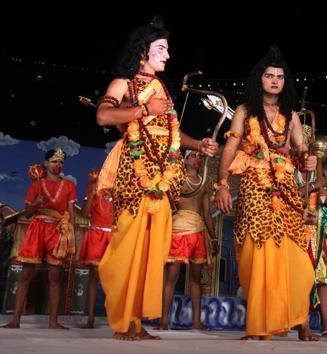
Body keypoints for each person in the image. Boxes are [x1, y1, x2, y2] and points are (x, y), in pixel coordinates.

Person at [94, 16, 218, 340]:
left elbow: (169, 133)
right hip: (134, 176)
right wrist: (144, 110)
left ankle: (137, 320)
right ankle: (123, 321)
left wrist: (198, 144)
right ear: (142, 51)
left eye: (166, 49)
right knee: (130, 246)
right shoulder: (125, 83)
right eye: (160, 49)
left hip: (163, 179)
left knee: (153, 250)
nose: (167, 55)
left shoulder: (162, 88)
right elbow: (103, 115)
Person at [215, 44, 317, 340]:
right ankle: (258, 324)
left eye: (280, 76)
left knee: (293, 255)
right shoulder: (246, 112)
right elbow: (231, 148)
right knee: (256, 253)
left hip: (285, 191)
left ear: (285, 82)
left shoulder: (292, 115)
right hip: (254, 187)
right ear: (259, 79)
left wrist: (306, 159)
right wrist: (221, 185)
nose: (274, 80)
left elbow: (299, 152)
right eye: (269, 75)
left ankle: (298, 317)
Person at [2, 148, 77, 329]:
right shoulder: (36, 185)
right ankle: (15, 320)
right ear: (45, 163)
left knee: (55, 276)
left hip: (57, 231)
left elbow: (72, 214)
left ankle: (53, 322)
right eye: (54, 161)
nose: (58, 165)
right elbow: (27, 214)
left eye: (61, 162)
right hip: (37, 228)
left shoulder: (68, 185)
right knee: (26, 275)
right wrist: (36, 203)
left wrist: (71, 236)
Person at [156, 151, 218, 331]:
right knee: (172, 278)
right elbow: (169, 204)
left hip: (198, 232)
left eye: (199, 156)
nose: (196, 158)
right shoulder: (176, 179)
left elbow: (206, 213)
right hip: (178, 231)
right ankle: (164, 320)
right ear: (185, 160)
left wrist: (213, 237)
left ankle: (197, 322)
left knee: (195, 279)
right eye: (192, 156)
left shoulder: (204, 184)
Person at [297, 134, 327, 337]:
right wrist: (311, 187)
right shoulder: (293, 171)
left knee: (325, 280)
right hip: (297, 230)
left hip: (322, 230)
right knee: (300, 279)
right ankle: (302, 325)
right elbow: (284, 197)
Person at [78, 169, 114, 329]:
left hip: (114, 235)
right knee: (93, 278)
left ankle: (115, 319)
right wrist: (92, 194)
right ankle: (90, 319)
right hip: (96, 234)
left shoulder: (119, 187)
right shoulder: (93, 186)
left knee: (115, 280)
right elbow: (85, 214)